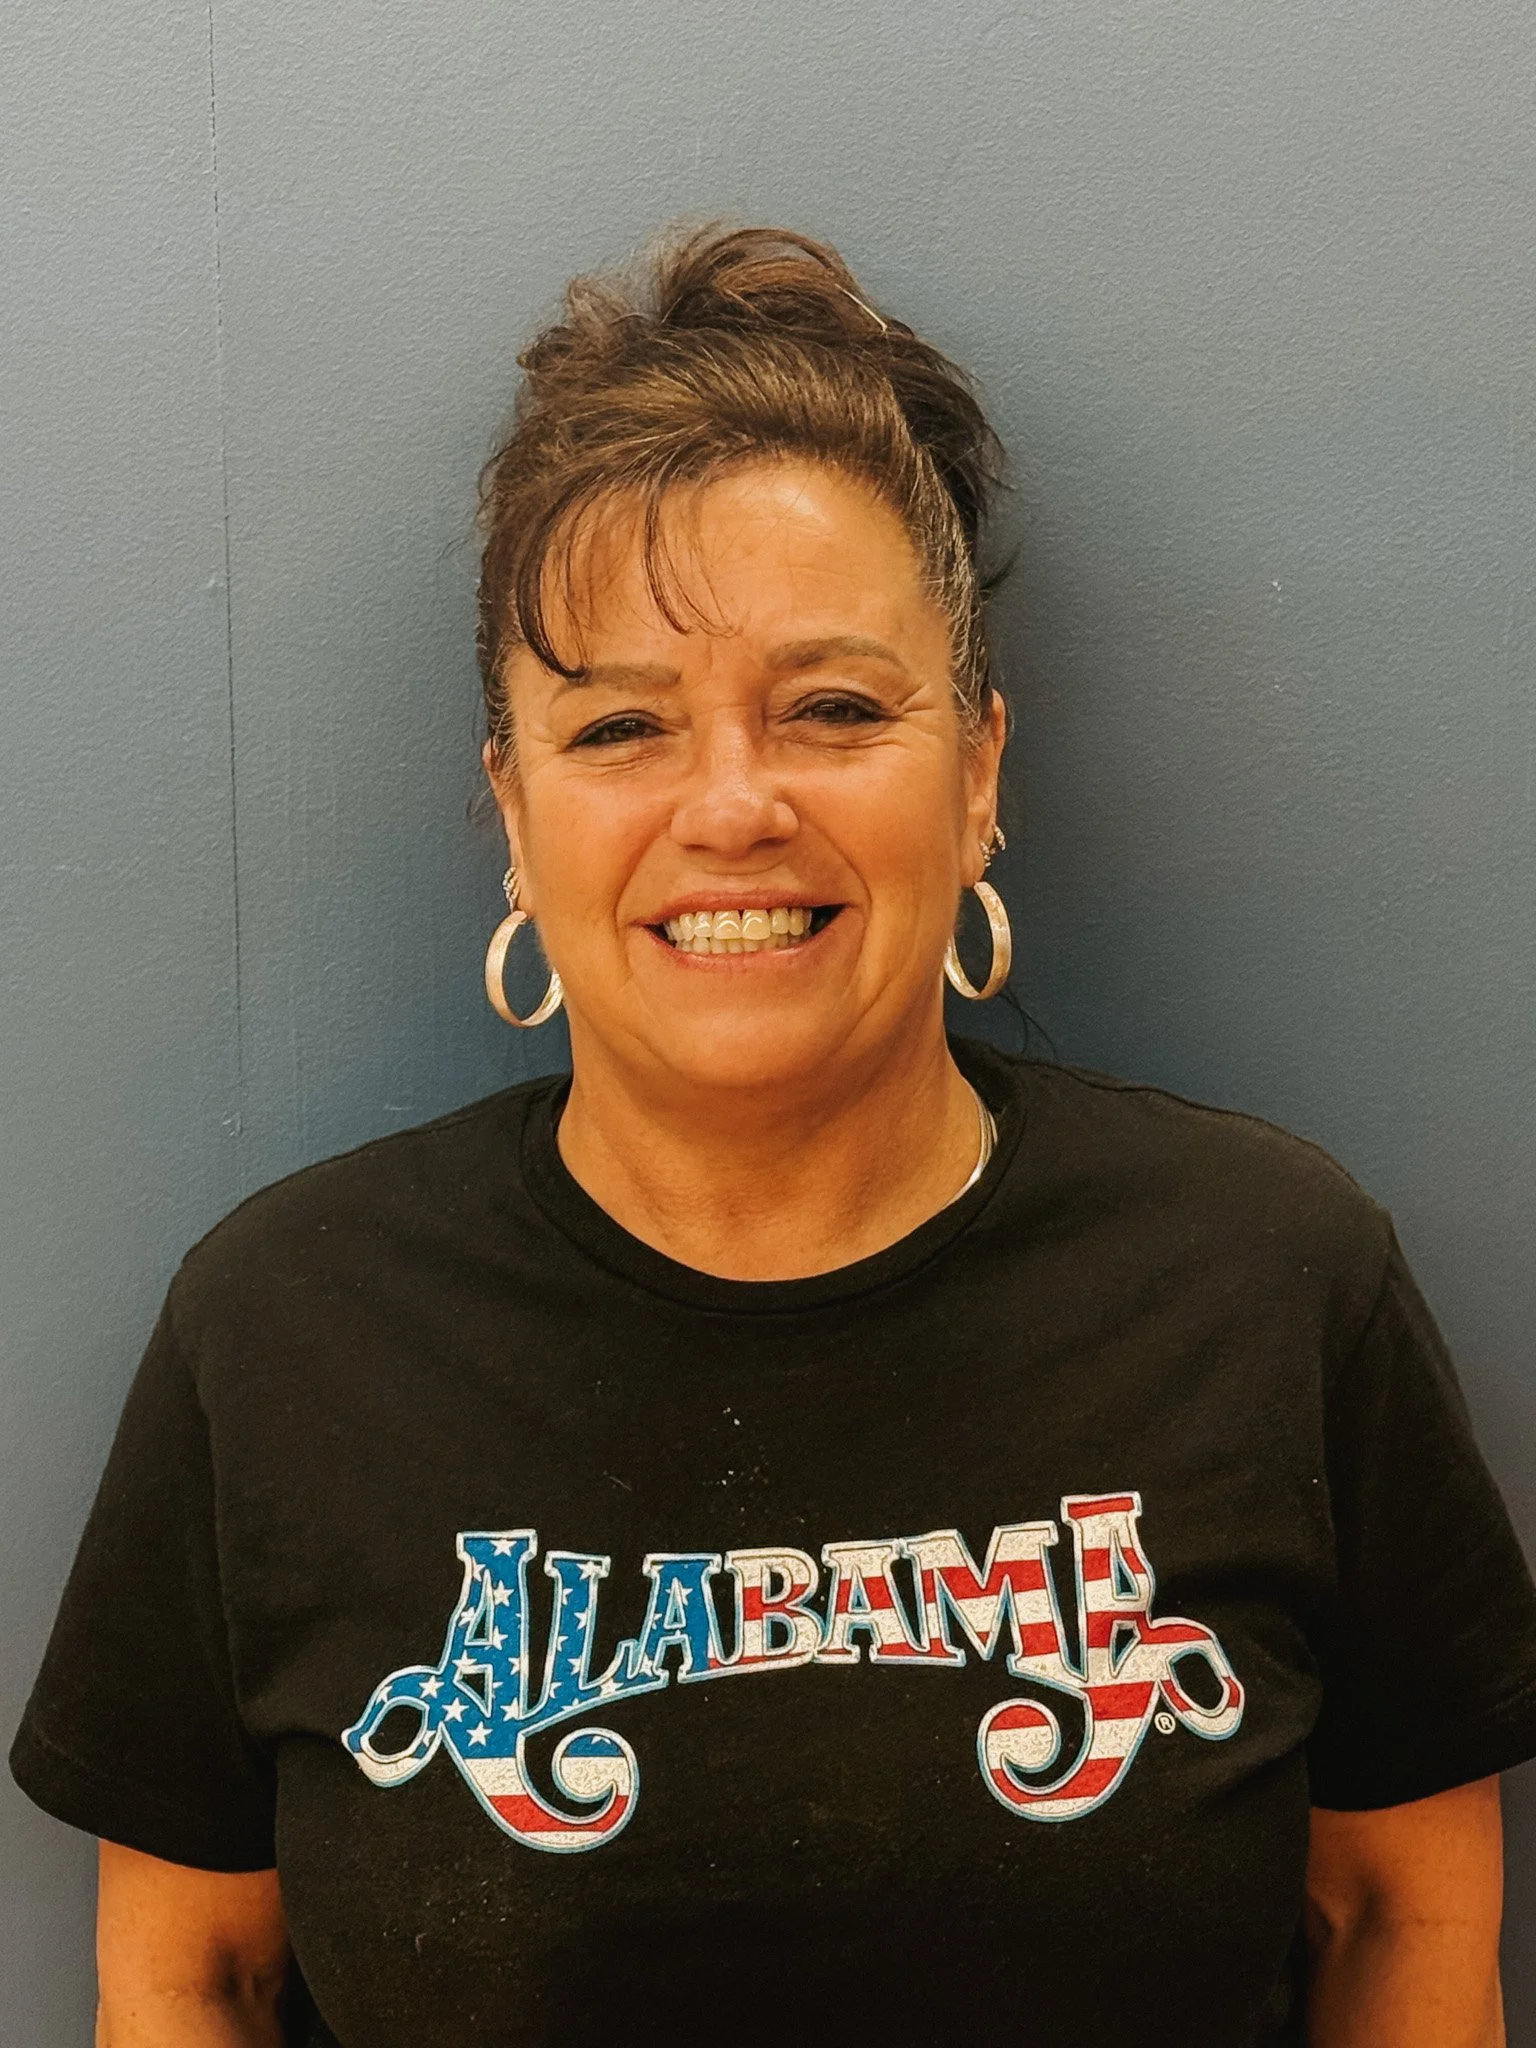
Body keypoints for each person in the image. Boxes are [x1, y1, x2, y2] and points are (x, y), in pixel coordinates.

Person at [12, 224, 1536, 2048]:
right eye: (620, 727)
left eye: (832, 708)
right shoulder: (278, 1332)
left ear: (975, 772)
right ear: (512, 807)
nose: (731, 806)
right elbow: (196, 1973)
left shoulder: (1274, 1282)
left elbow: (1398, 1917)